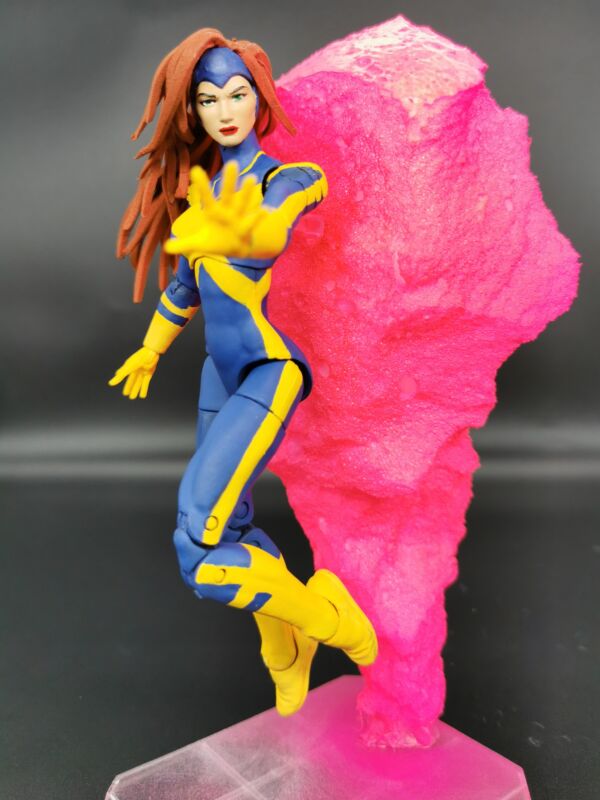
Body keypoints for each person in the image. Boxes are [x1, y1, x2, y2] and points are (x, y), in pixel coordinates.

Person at [109, 29, 377, 716]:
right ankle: (284, 649)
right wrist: (151, 348)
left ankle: (330, 620)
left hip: (265, 370)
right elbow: (184, 289)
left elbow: (283, 214)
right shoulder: (204, 197)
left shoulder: (282, 177)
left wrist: (255, 234)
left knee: (198, 546)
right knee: (229, 530)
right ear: (193, 112)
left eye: (236, 94)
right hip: (219, 378)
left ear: (259, 99)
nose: (224, 110)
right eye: (208, 99)